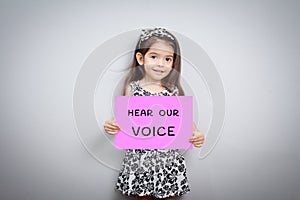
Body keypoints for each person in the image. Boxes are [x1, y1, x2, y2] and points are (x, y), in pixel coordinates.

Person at [104, 28, 205, 200]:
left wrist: (196, 133)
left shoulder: (173, 91)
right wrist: (112, 124)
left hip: (168, 162)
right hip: (140, 161)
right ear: (141, 58)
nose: (160, 63)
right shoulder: (132, 88)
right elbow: (125, 117)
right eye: (154, 56)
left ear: (173, 63)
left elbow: (183, 119)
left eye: (167, 59)